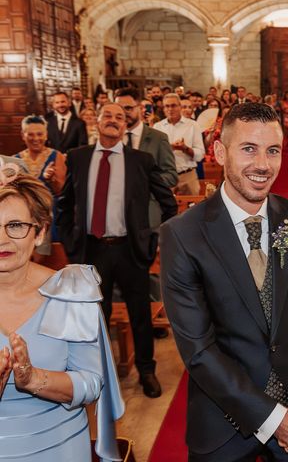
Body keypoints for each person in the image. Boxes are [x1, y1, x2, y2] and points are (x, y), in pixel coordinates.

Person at [160, 102, 288, 461]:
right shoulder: (183, 235)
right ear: (220, 151)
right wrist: (275, 420)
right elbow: (198, 350)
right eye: (249, 149)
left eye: (273, 151)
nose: (262, 164)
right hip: (224, 423)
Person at [0, 170, 123, 461]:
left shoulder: (69, 291)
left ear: (40, 231)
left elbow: (92, 383)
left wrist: (32, 379)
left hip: (58, 446)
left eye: (15, 225)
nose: (2, 239)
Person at [57, 103, 177, 399]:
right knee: (96, 316)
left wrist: (154, 239)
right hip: (91, 250)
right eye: (107, 115)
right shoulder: (78, 158)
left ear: (126, 125)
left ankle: (146, 370)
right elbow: (64, 203)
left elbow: (168, 204)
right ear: (96, 122)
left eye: (120, 117)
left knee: (139, 314)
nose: (113, 121)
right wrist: (71, 245)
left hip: (129, 250)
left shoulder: (141, 161)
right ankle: (98, 373)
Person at [114, 87, 178, 229]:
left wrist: (146, 181)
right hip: (116, 215)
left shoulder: (158, 138)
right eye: (119, 109)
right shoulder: (112, 138)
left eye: (128, 108)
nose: (123, 113)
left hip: (147, 211)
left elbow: (172, 175)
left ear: (140, 108)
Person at [14, 115, 66, 256]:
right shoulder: (15, 160)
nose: (35, 138)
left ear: (46, 135)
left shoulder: (57, 156)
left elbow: (61, 191)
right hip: (23, 216)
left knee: (52, 259)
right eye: (30, 134)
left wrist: (51, 180)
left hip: (50, 215)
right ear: (23, 135)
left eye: (39, 134)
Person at [154, 93, 205, 195]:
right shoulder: (157, 127)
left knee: (191, 209)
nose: (170, 109)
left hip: (187, 175)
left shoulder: (192, 125)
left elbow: (200, 155)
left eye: (173, 105)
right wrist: (169, 148)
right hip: (165, 176)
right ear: (163, 108)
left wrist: (185, 148)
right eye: (167, 106)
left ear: (180, 107)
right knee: (165, 210)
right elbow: (154, 155)